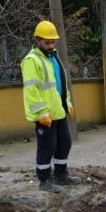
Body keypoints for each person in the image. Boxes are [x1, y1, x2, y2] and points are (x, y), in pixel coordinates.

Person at [21, 20, 79, 192]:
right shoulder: (32, 60)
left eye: (53, 41)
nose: (51, 45)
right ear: (38, 40)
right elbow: (31, 90)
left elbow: (61, 84)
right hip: (45, 115)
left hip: (58, 111)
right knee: (47, 147)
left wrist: (67, 103)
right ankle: (44, 180)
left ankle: (61, 175)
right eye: (47, 42)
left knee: (64, 143)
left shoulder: (53, 57)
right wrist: (40, 112)